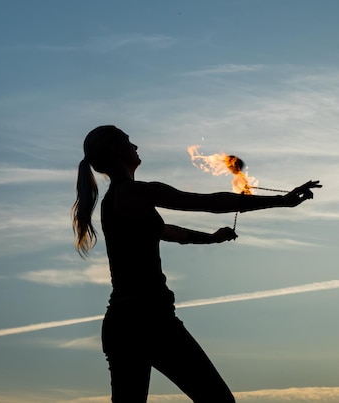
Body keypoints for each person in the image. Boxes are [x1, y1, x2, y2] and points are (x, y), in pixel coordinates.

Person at [71, 125, 321, 403]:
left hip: (123, 323)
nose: (136, 147)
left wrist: (212, 239)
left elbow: (171, 232)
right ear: (117, 150)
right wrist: (281, 201)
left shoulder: (116, 201)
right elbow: (206, 202)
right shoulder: (133, 192)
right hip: (149, 320)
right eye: (129, 142)